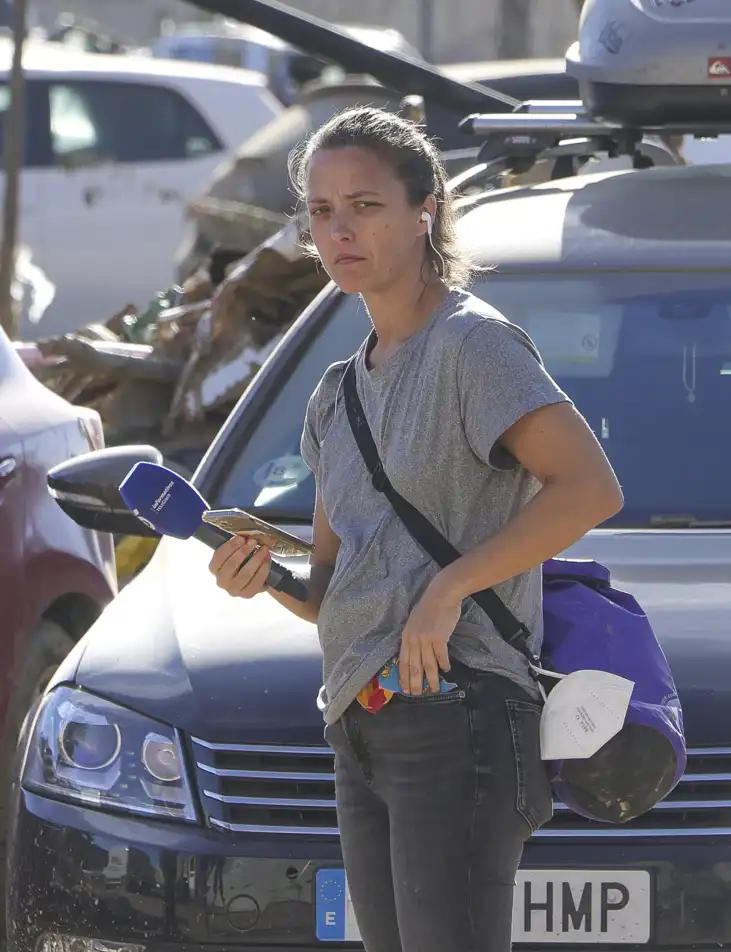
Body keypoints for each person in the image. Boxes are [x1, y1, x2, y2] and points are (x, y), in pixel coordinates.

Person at [209, 106, 624, 952]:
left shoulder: (473, 346)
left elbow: (589, 489)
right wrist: (264, 577)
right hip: (360, 722)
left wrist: (450, 587)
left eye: (364, 206)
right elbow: (336, 589)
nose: (339, 230)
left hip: (459, 714)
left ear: (423, 210)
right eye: (321, 212)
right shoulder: (336, 393)